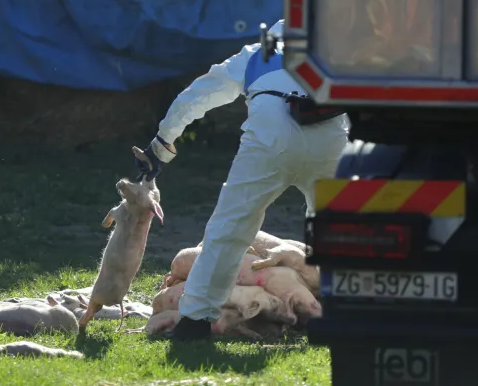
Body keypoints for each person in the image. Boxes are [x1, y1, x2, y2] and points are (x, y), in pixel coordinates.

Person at [133, 19, 350, 340]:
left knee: (230, 227)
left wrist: (161, 146)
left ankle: (194, 321)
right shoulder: (338, 52)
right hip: (330, 134)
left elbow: (197, 95)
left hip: (269, 136)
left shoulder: (253, 54)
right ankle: (338, 312)